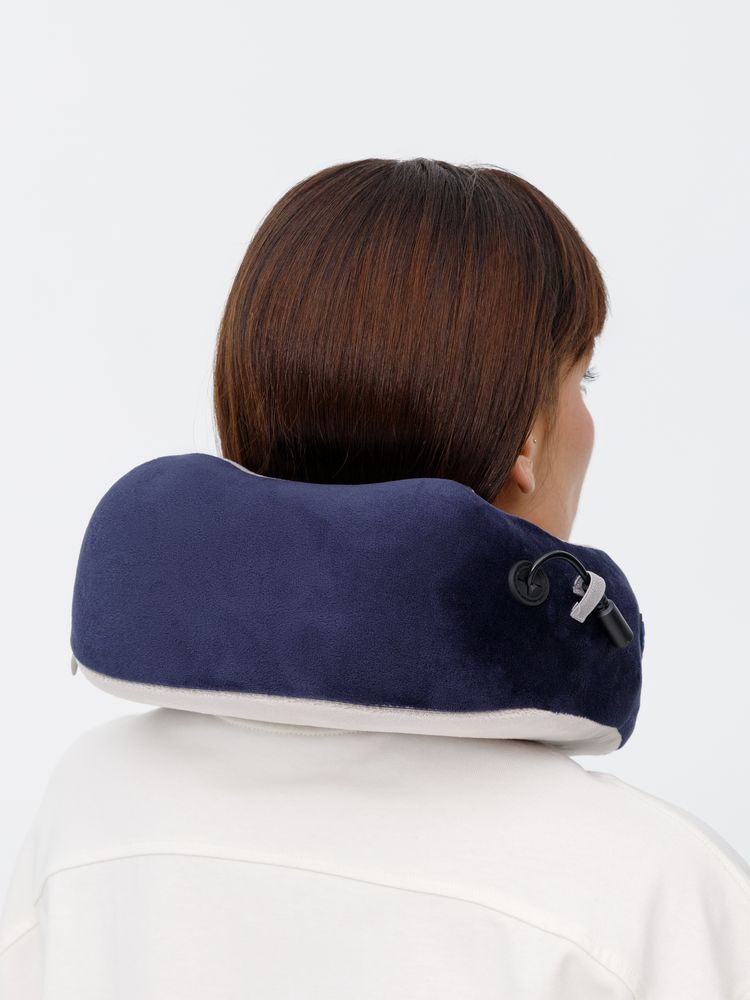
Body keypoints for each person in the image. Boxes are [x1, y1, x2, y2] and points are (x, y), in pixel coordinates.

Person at [2, 157, 749, 999]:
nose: (589, 416)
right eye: (583, 377)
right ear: (525, 441)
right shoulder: (649, 896)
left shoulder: (88, 812)